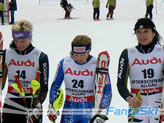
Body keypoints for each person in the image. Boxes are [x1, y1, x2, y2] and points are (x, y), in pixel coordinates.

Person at [47, 35, 112, 123]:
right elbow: (55, 86)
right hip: (69, 107)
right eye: (76, 54)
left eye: (82, 55)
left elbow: (107, 90)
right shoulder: (65, 62)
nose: (79, 58)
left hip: (88, 107)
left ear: (89, 51)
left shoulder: (97, 64)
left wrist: (103, 112)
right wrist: (52, 105)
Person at [2, 20, 49, 123]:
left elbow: (44, 87)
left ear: (30, 37)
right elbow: (1, 82)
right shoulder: (6, 54)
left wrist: (37, 104)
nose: (19, 44)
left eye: (23, 41)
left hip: (31, 101)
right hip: (11, 101)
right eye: (16, 40)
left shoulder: (40, 56)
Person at [117, 18, 163, 123]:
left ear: (154, 33)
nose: (142, 36)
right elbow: (120, 84)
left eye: (146, 31)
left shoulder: (162, 51)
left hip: (159, 102)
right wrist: (129, 98)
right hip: (137, 103)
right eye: (138, 32)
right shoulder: (127, 53)